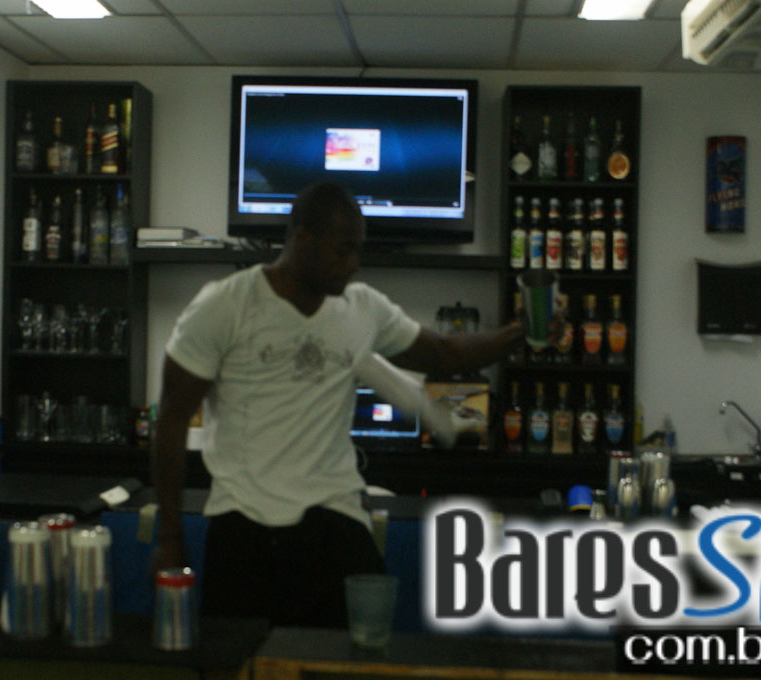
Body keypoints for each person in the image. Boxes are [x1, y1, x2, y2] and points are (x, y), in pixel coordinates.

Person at [151, 180, 557, 627]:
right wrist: (169, 537)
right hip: (244, 526)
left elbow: (444, 353)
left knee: (360, 652)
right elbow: (171, 418)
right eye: (342, 250)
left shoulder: (361, 308)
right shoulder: (225, 305)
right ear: (302, 238)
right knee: (240, 657)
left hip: (334, 521)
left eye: (357, 250)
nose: (353, 264)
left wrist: (519, 332)